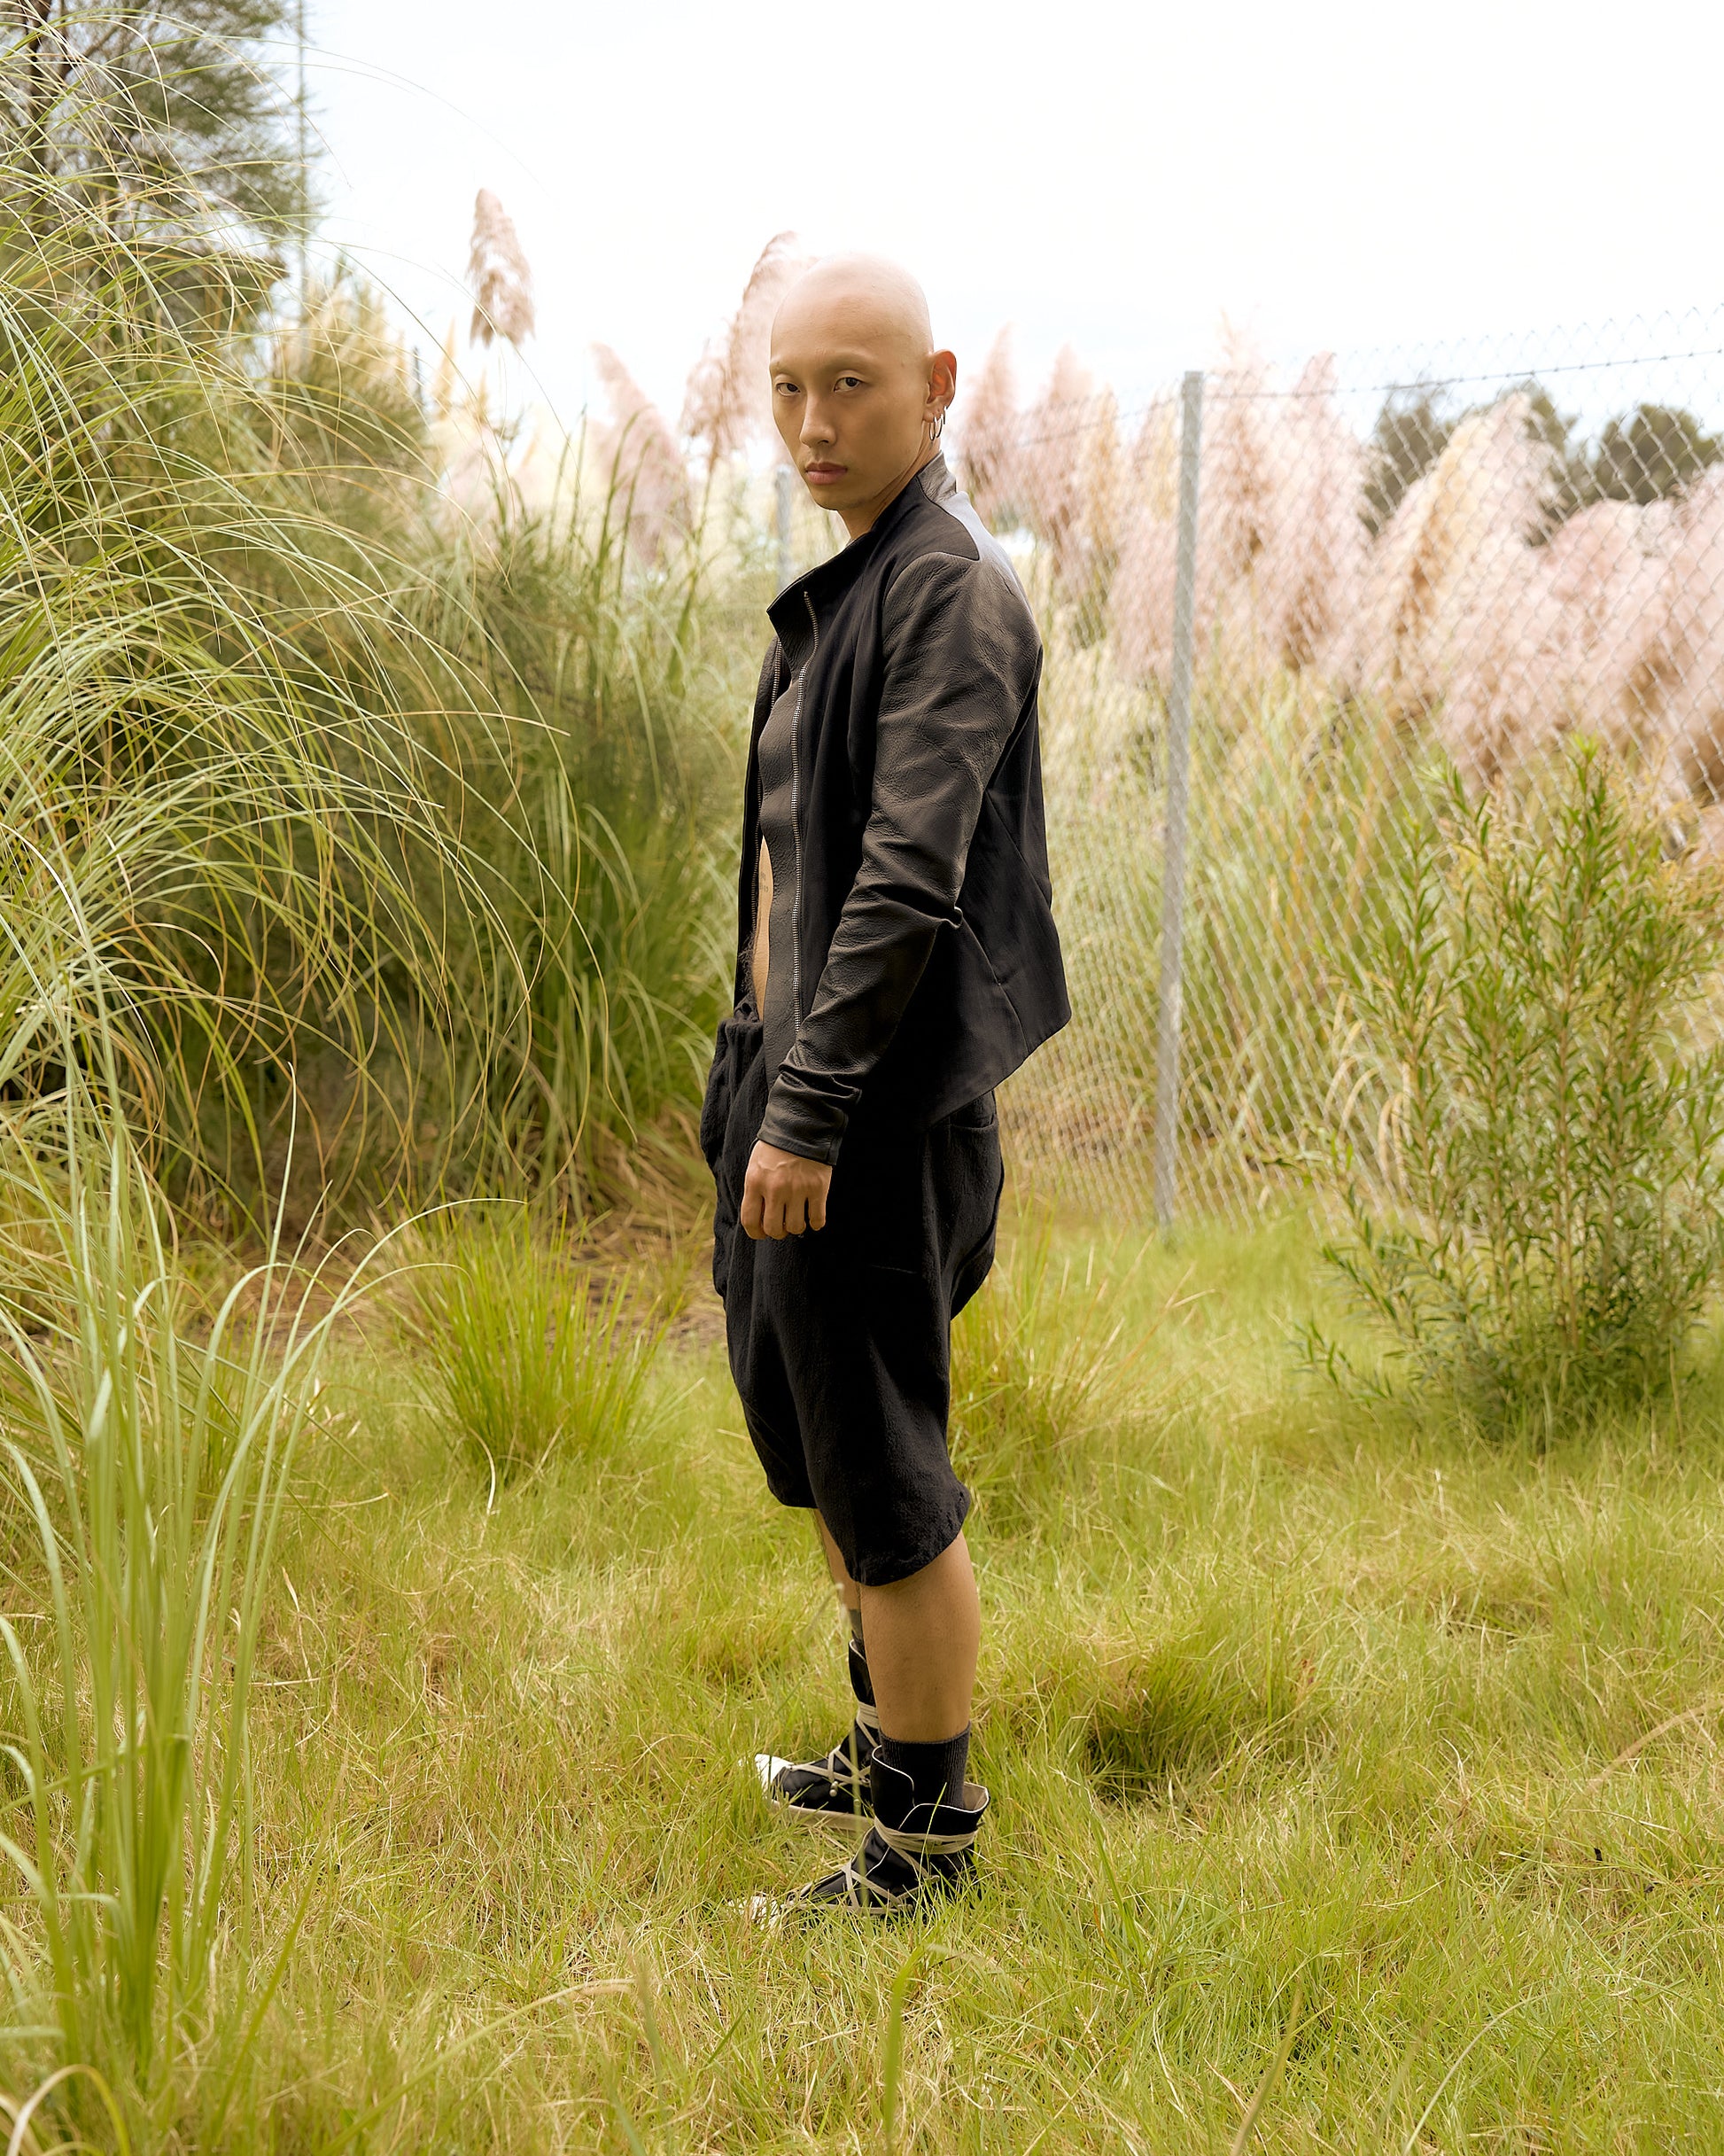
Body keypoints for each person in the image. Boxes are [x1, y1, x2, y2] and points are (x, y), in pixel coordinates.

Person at [700, 253, 1068, 1915]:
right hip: (782, 1085)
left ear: (932, 383)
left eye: (848, 383)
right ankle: (881, 1742)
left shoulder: (947, 595)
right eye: (785, 386)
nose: (810, 421)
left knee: (889, 1474)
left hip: (861, 1116)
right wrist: (752, 1082)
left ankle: (926, 1842)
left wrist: (809, 1112)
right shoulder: (847, 587)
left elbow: (904, 879)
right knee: (817, 1437)